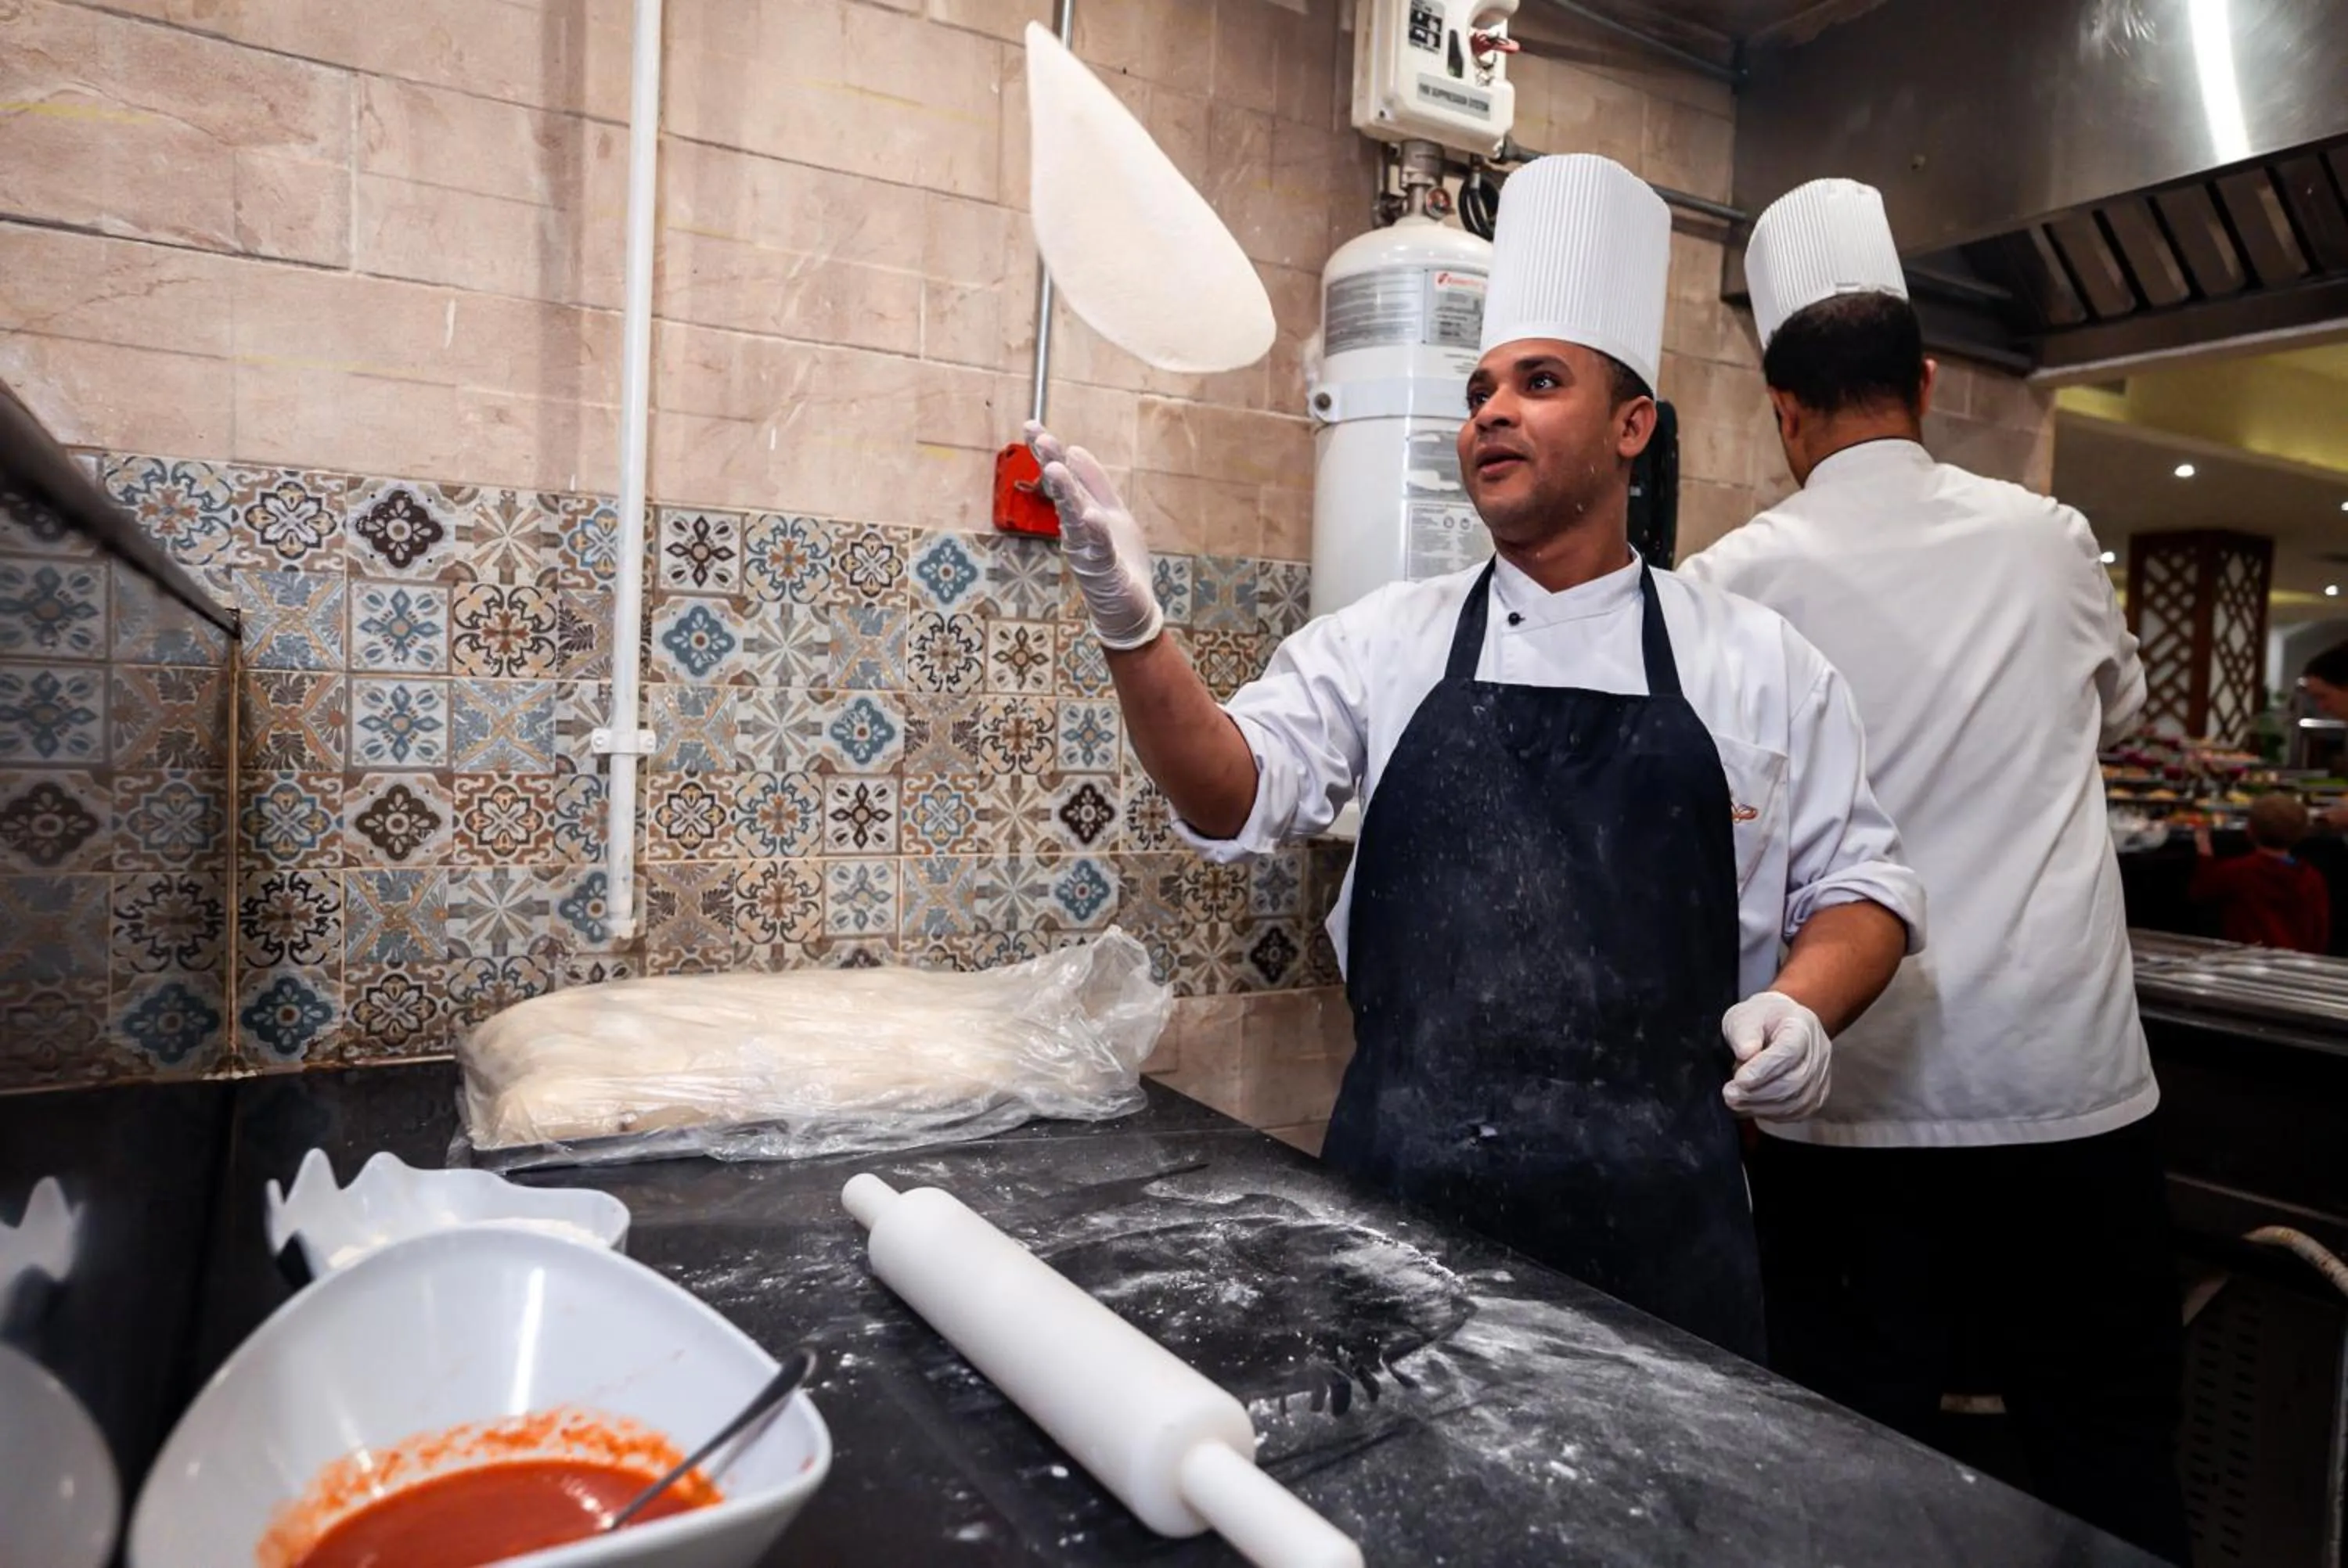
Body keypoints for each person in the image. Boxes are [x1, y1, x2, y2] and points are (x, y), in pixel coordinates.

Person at [1026, 155, 1925, 1364]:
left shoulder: (1758, 661)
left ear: (1631, 427)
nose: (1490, 410)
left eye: (1538, 383)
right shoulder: (1386, 641)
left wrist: (1799, 1011)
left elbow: (1862, 891)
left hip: (1666, 1234)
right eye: (1481, 388)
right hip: (1399, 1211)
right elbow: (1226, 787)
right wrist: (1135, 629)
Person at [1677, 179, 2191, 1560]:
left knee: (1847, 1471)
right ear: (1928, 377)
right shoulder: (2052, 539)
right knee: (2110, 1456)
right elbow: (2120, 714)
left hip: (1847, 1099)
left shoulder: (1730, 580)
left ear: (1782, 412)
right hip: (2067, 1099)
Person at [2191, 794, 2330, 953]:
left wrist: (2204, 854)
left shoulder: (2240, 871)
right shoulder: (2312, 877)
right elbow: (2320, 928)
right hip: (2298, 960)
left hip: (2248, 959)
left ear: (2249, 830)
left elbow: (2201, 889)